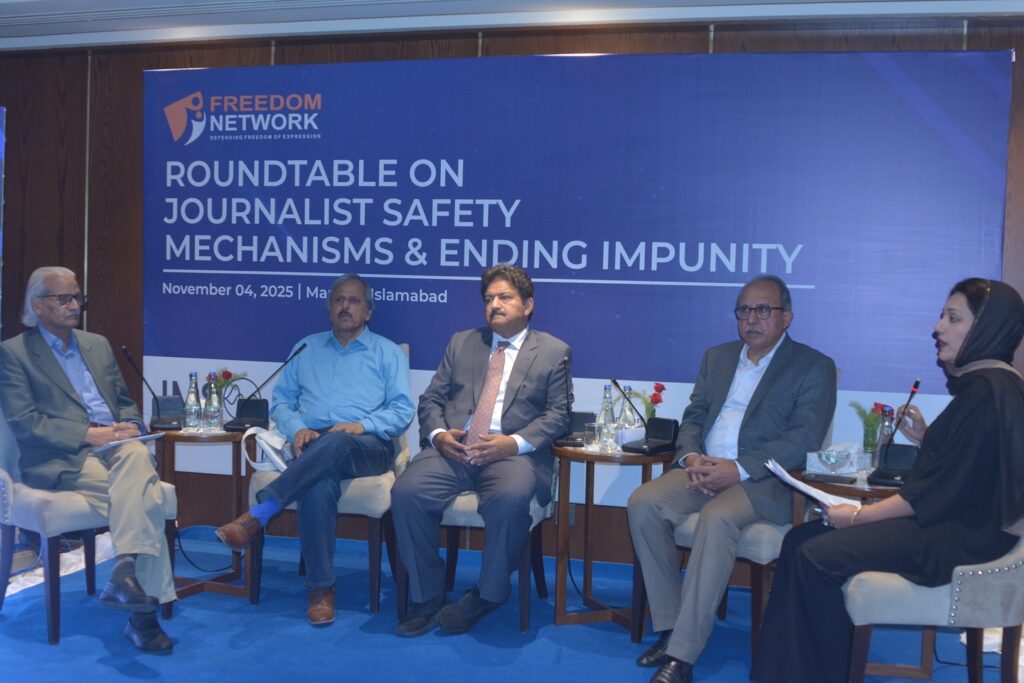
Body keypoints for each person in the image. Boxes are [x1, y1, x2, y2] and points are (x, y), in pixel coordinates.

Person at [751, 277, 1024, 683]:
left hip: (958, 538)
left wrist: (857, 517)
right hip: (954, 524)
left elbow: (930, 494)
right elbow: (971, 467)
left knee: (814, 556)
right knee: (799, 540)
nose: (938, 328)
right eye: (942, 316)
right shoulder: (994, 385)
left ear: (987, 327)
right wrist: (927, 438)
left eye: (953, 318)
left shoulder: (987, 390)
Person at [627, 274, 837, 683]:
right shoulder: (717, 358)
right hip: (702, 468)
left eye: (763, 310)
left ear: (787, 317)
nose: (751, 319)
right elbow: (694, 416)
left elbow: (804, 438)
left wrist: (737, 469)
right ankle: (671, 626)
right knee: (643, 503)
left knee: (717, 518)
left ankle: (683, 654)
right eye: (744, 310)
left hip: (763, 480)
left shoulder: (813, 366)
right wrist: (692, 458)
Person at [215, 274, 414, 626]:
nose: (345, 307)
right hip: (312, 443)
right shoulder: (305, 348)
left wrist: (362, 425)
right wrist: (298, 429)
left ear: (368, 311)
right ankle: (321, 589)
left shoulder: (387, 352)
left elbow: (402, 411)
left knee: (335, 441)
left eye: (354, 301)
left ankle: (261, 511)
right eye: (339, 300)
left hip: (367, 445)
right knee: (318, 482)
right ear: (329, 307)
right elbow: (282, 402)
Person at [0, 266, 176, 653]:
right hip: (65, 455)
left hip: (117, 444)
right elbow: (26, 422)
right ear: (37, 305)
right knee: (147, 497)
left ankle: (125, 572)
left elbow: (124, 402)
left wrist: (131, 424)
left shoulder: (96, 344)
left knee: (135, 452)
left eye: (77, 297)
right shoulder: (14, 353)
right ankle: (143, 619)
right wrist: (87, 434)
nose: (74, 305)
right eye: (63, 298)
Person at [390, 264, 572, 637]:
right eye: (489, 299)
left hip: (512, 454)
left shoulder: (553, 351)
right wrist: (439, 435)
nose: (495, 305)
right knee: (406, 492)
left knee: (509, 499)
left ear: (528, 305)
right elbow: (431, 400)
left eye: (504, 297)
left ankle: (487, 595)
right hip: (456, 448)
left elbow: (559, 415)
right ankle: (428, 596)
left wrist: (512, 443)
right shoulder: (462, 342)